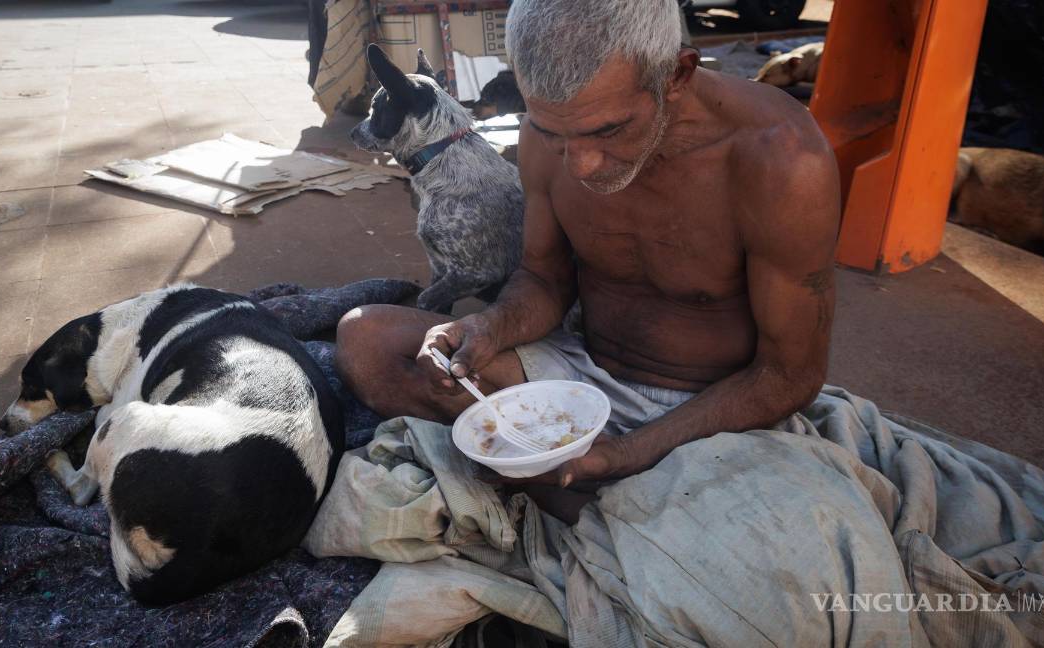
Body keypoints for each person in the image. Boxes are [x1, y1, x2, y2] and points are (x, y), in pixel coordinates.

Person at [336, 0, 840, 519]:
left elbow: (789, 375)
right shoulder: (543, 135)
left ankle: (572, 496)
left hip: (711, 410)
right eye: (554, 135)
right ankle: (585, 502)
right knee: (364, 341)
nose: (580, 165)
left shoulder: (781, 157)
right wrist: (489, 327)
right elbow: (544, 279)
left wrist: (626, 453)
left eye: (607, 131)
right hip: (577, 380)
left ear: (678, 74)